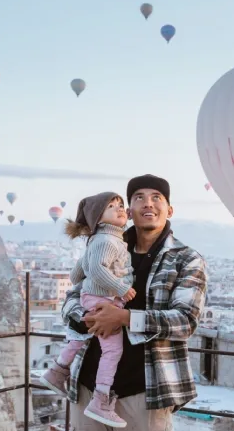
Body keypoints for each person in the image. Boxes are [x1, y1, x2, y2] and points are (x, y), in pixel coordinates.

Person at [59, 174, 208, 431]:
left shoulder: (186, 259)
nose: (148, 203)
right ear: (129, 211)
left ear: (169, 209)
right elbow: (72, 297)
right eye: (139, 198)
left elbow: (186, 321)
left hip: (145, 392)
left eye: (156, 198)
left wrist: (124, 318)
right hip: (88, 385)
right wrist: (86, 319)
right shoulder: (105, 244)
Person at [40, 192, 135, 428]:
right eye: (112, 206)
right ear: (98, 217)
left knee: (81, 336)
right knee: (112, 351)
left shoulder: (96, 240)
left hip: (91, 297)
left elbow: (76, 275)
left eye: (121, 205)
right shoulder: (108, 241)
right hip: (105, 299)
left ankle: (57, 371)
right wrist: (121, 288)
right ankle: (101, 399)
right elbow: (97, 270)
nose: (120, 208)